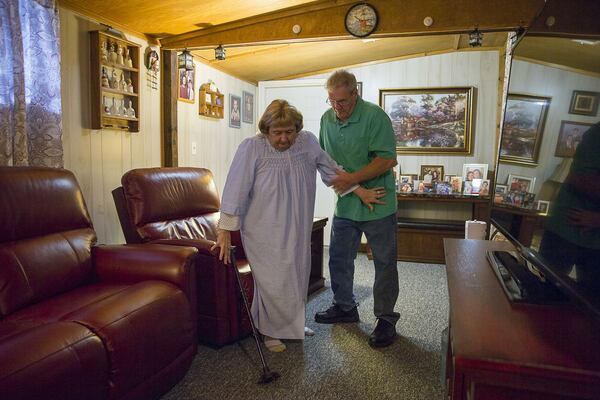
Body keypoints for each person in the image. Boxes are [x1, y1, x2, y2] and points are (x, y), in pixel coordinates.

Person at [212, 100, 383, 353]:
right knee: (274, 279)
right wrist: (224, 228)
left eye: (289, 132)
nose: (283, 139)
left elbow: (331, 170)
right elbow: (235, 188)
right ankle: (270, 331)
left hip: (298, 222)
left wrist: (359, 191)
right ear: (266, 130)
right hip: (263, 227)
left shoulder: (308, 142)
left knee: (297, 274)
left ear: (297, 129)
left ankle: (291, 325)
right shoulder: (252, 148)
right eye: (277, 133)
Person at [315, 69, 400, 348]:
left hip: (378, 202)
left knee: (384, 263)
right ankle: (345, 307)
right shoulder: (326, 119)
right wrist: (355, 189)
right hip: (348, 201)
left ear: (355, 94)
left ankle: (385, 319)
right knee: (339, 258)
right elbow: (328, 164)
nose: (337, 108)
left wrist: (353, 179)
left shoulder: (375, 117)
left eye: (343, 101)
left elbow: (386, 160)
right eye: (332, 101)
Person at [541, 121, 600, 288]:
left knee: (591, 303)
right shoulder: (597, 133)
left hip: (587, 233)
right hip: (569, 227)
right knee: (545, 289)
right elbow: (579, 179)